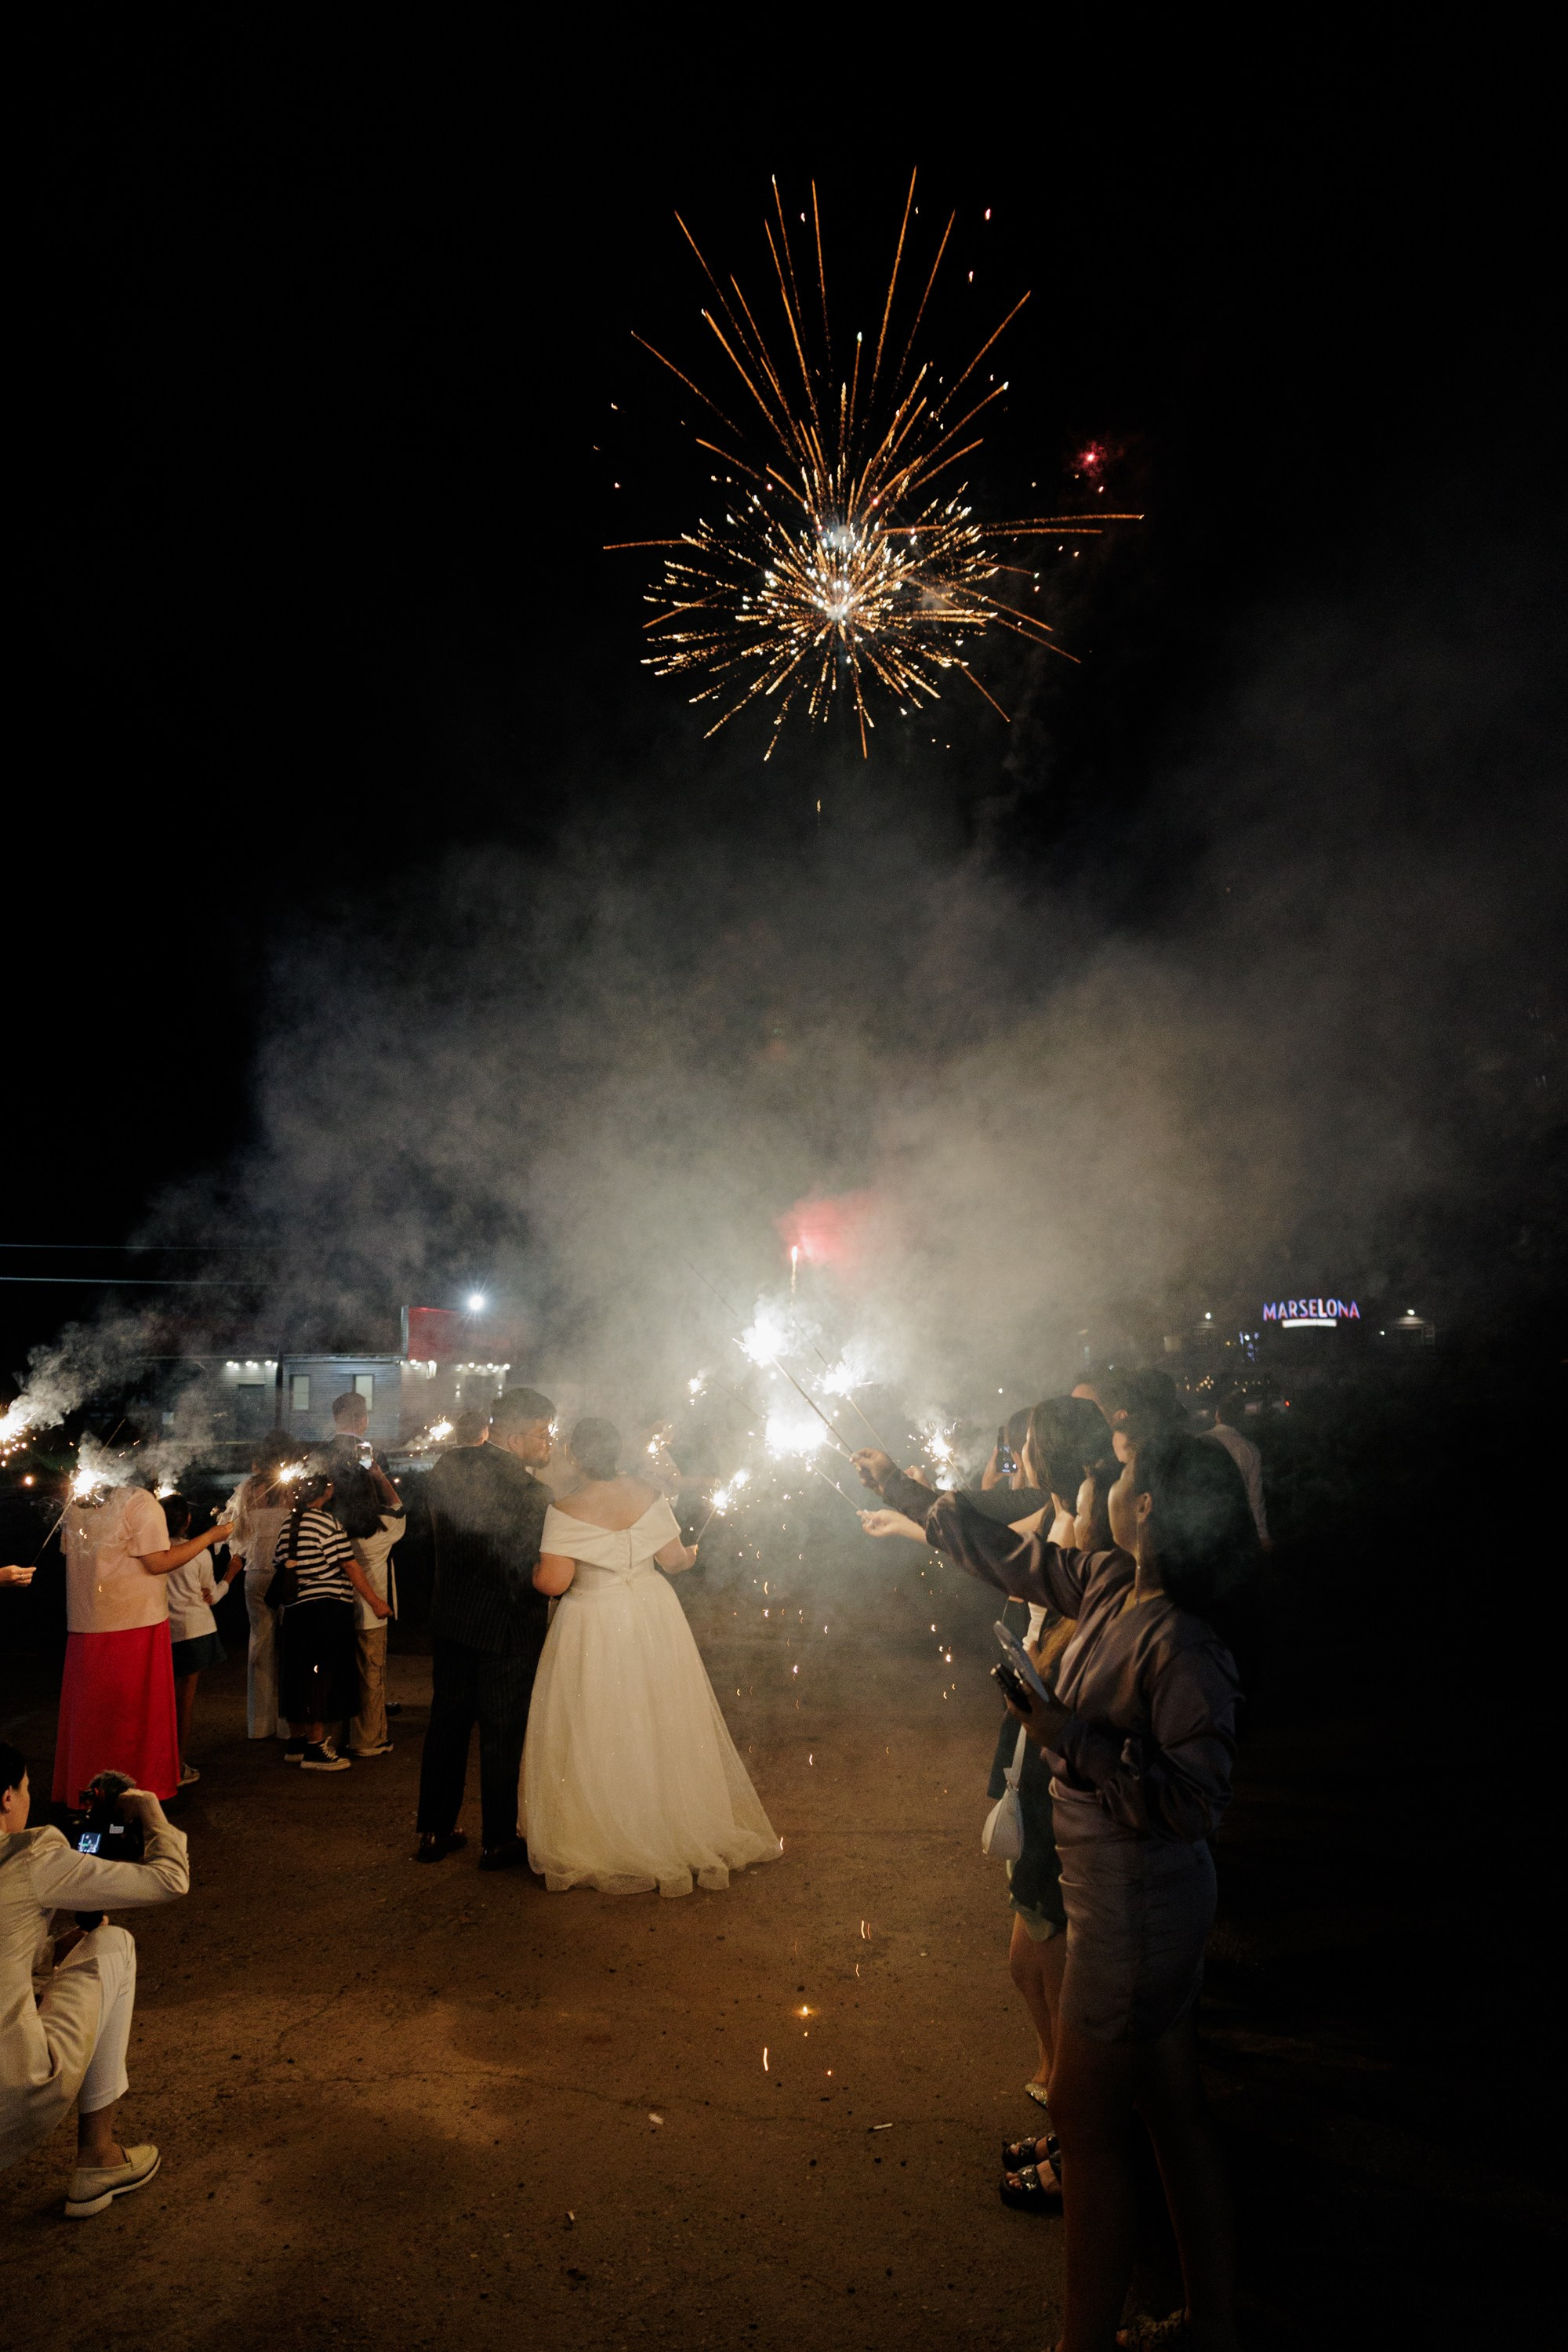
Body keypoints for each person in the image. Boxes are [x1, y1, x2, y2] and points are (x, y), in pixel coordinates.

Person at [855, 1429, 1254, 2352]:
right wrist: (908, 1493)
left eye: (1123, 1476)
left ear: (1148, 1508)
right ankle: (1211, 2323)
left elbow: (1193, 1802)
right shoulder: (1115, 1584)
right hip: (1110, 1892)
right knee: (1167, 2108)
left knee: (1087, 2125)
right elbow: (1016, 1559)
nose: (1107, 1485)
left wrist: (1061, 1730)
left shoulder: (1185, 1642)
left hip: (1138, 1906)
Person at [523, 1418, 782, 1896]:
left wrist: (535, 1573)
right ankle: (673, 1819)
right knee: (661, 1714)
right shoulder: (648, 1492)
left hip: (595, 1619)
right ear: (618, 1452)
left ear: (575, 1457)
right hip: (653, 1611)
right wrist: (693, 1555)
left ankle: (610, 1827)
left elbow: (555, 1583)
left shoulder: (563, 1508)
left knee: (601, 1718)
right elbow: (674, 1560)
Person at [2, 1740, 189, 2213]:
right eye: (25, 1789)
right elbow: (170, 1879)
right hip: (10, 2098)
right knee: (114, 1944)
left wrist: (52, 1949)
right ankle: (99, 2158)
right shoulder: (31, 1856)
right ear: (7, 1798)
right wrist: (150, 1811)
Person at [415, 1386, 557, 1868]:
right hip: (507, 1630)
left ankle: (434, 1832)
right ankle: (497, 1840)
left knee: (447, 1726)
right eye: (544, 1433)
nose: (549, 1442)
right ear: (517, 1438)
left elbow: (434, 1534)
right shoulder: (533, 1493)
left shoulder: (447, 1467)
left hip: (453, 1619)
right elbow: (523, 1567)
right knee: (501, 1734)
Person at [54, 1468, 233, 1807]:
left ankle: (87, 1790)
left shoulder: (76, 1501)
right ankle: (139, 1790)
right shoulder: (139, 1501)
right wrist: (211, 1536)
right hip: (135, 1623)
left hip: (85, 1621)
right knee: (132, 1718)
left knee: (93, 1721)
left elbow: (75, 1553)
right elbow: (157, 1562)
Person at [270, 1473, 390, 1772]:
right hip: (325, 1610)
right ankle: (316, 1748)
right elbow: (349, 1564)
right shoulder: (328, 1523)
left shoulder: (288, 1524)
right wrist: (376, 1602)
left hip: (296, 1610)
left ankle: (297, 1743)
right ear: (324, 1493)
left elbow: (280, 1562)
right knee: (320, 1676)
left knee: (299, 1673)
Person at [161, 1494, 238, 1788]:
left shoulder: (152, 1552)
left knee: (162, 1701)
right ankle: (177, 1767)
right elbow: (212, 1596)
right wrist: (231, 1574)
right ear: (188, 1521)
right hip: (193, 1632)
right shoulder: (199, 1552)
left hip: (162, 1633)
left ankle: (162, 1761)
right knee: (184, 1703)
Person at [331, 1461, 406, 1758]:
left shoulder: (334, 1527)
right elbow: (398, 1505)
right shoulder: (385, 1529)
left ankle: (335, 1737)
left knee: (341, 1674)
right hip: (372, 1612)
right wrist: (377, 1475)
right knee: (370, 1676)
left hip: (338, 1608)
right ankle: (368, 1739)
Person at [228, 1434, 297, 1742]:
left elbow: (237, 1532)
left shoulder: (246, 1490)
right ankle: (287, 1724)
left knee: (259, 1644)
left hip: (255, 1570)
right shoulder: (292, 1487)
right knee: (290, 1647)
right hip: (286, 1572)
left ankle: (259, 1725)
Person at [1203, 1388, 1270, 1547]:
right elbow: (1256, 1496)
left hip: (1204, 1526)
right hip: (1237, 1523)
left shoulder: (1200, 1441)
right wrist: (1263, 1535)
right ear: (1240, 1417)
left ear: (1217, 1414)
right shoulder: (1250, 1449)